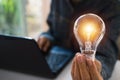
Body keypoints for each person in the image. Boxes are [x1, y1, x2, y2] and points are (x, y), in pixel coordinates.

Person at [37, 0, 120, 80]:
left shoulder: (111, 5)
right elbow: (52, 29)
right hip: (55, 65)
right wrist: (47, 37)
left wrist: (97, 71)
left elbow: (107, 56)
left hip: (77, 71)